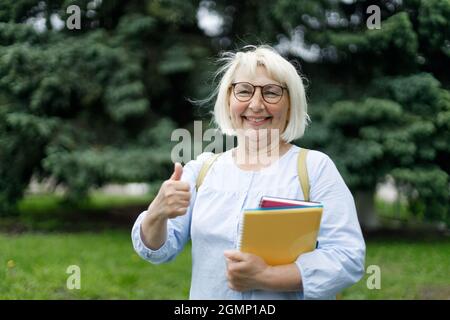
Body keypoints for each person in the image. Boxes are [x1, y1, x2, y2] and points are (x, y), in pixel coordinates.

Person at [131, 45, 366, 300]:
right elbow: (157, 250)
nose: (255, 104)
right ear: (229, 99)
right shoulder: (201, 170)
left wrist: (266, 277)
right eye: (243, 91)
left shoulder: (315, 168)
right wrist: (157, 213)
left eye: (271, 92)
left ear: (290, 104)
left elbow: (347, 257)